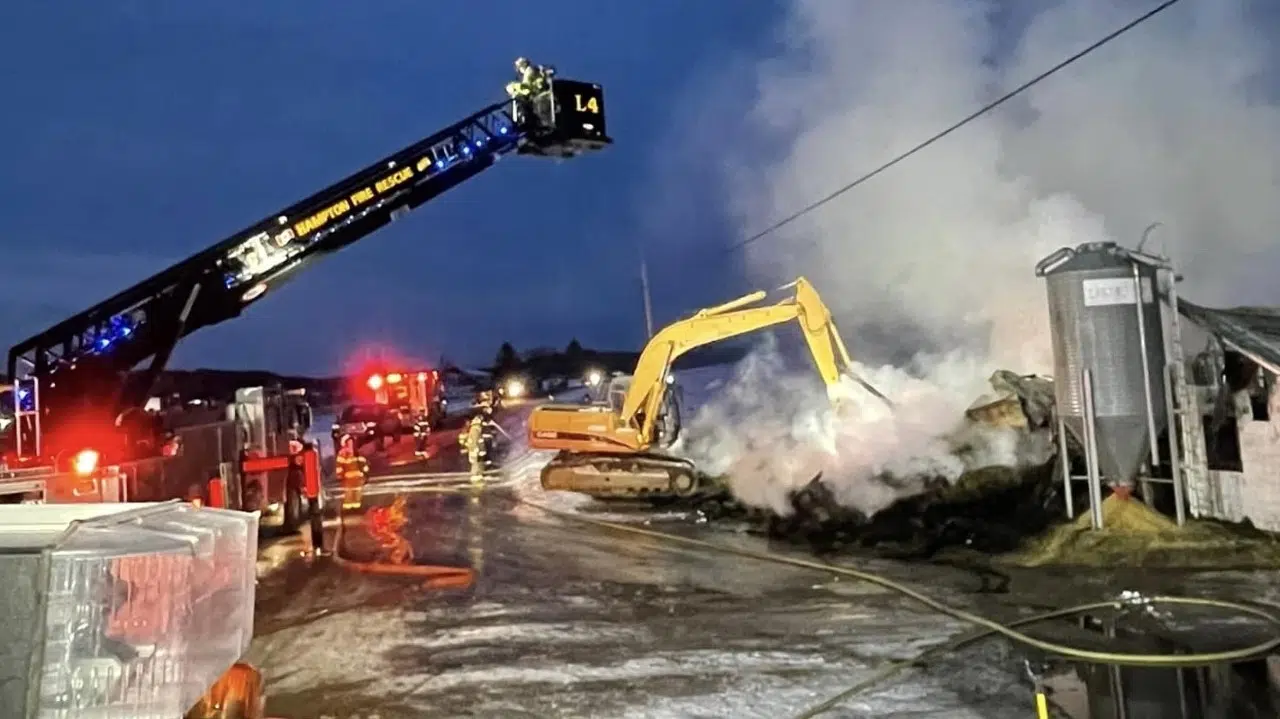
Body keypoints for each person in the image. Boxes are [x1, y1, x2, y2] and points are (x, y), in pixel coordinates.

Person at [335, 434, 369, 511]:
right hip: (348, 479)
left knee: (358, 493)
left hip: (358, 478)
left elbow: (363, 463)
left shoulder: (357, 452)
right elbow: (339, 465)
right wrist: (340, 476)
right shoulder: (343, 454)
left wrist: (366, 474)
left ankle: (357, 508)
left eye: (352, 442)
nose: (351, 444)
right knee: (349, 494)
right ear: (345, 443)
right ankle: (348, 509)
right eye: (349, 442)